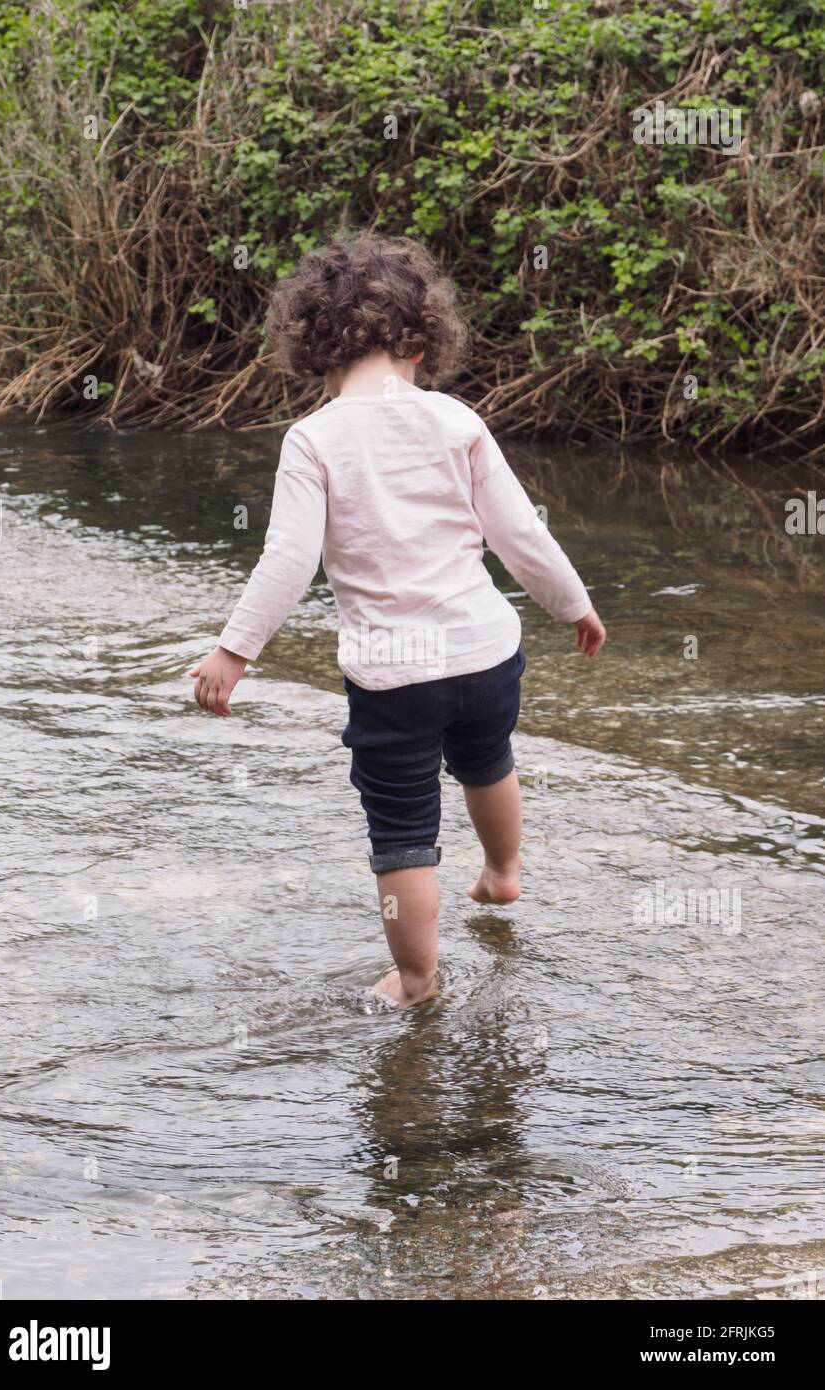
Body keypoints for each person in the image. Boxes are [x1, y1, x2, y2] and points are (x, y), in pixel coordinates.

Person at [191, 233, 605, 1008]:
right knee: (489, 760)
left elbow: (288, 561)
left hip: (393, 674)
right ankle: (504, 874)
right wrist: (574, 605)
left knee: (403, 833)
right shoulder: (457, 422)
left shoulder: (312, 439)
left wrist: (233, 653)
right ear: (422, 339)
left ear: (314, 347)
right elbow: (521, 535)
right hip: (485, 654)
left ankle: (416, 980)